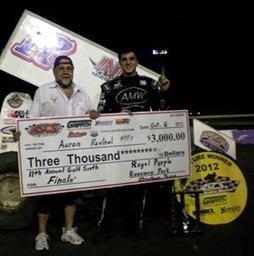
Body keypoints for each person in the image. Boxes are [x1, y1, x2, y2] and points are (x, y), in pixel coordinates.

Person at [96, 48, 172, 239]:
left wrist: (164, 92)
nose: (128, 62)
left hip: (142, 146)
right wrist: (115, 116)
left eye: (131, 59)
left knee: (138, 189)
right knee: (113, 189)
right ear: (119, 63)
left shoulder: (149, 84)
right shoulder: (108, 87)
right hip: (117, 147)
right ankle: (105, 229)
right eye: (124, 59)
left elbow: (162, 110)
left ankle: (134, 228)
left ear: (137, 61)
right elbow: (100, 115)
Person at [26, 55, 98, 251]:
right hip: (49, 153)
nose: (65, 71)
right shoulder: (43, 91)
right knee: (47, 196)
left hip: (75, 153)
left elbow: (91, 118)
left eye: (69, 68)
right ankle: (42, 234)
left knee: (72, 194)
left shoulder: (82, 93)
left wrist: (93, 115)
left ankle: (68, 231)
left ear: (73, 70)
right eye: (61, 68)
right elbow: (31, 122)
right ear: (54, 71)